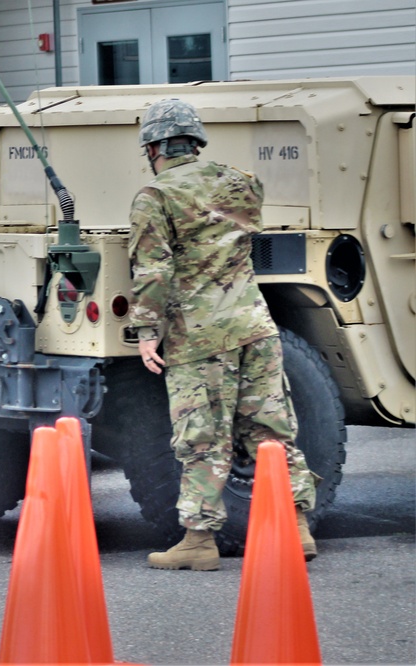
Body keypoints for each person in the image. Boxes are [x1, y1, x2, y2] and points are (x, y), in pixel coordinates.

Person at [128, 98, 318, 571]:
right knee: (272, 431)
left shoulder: (155, 196)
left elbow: (154, 269)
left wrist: (146, 332)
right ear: (195, 141)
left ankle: (198, 540)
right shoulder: (243, 183)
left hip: (200, 336)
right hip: (256, 326)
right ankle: (297, 528)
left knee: (201, 439)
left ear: (153, 147)